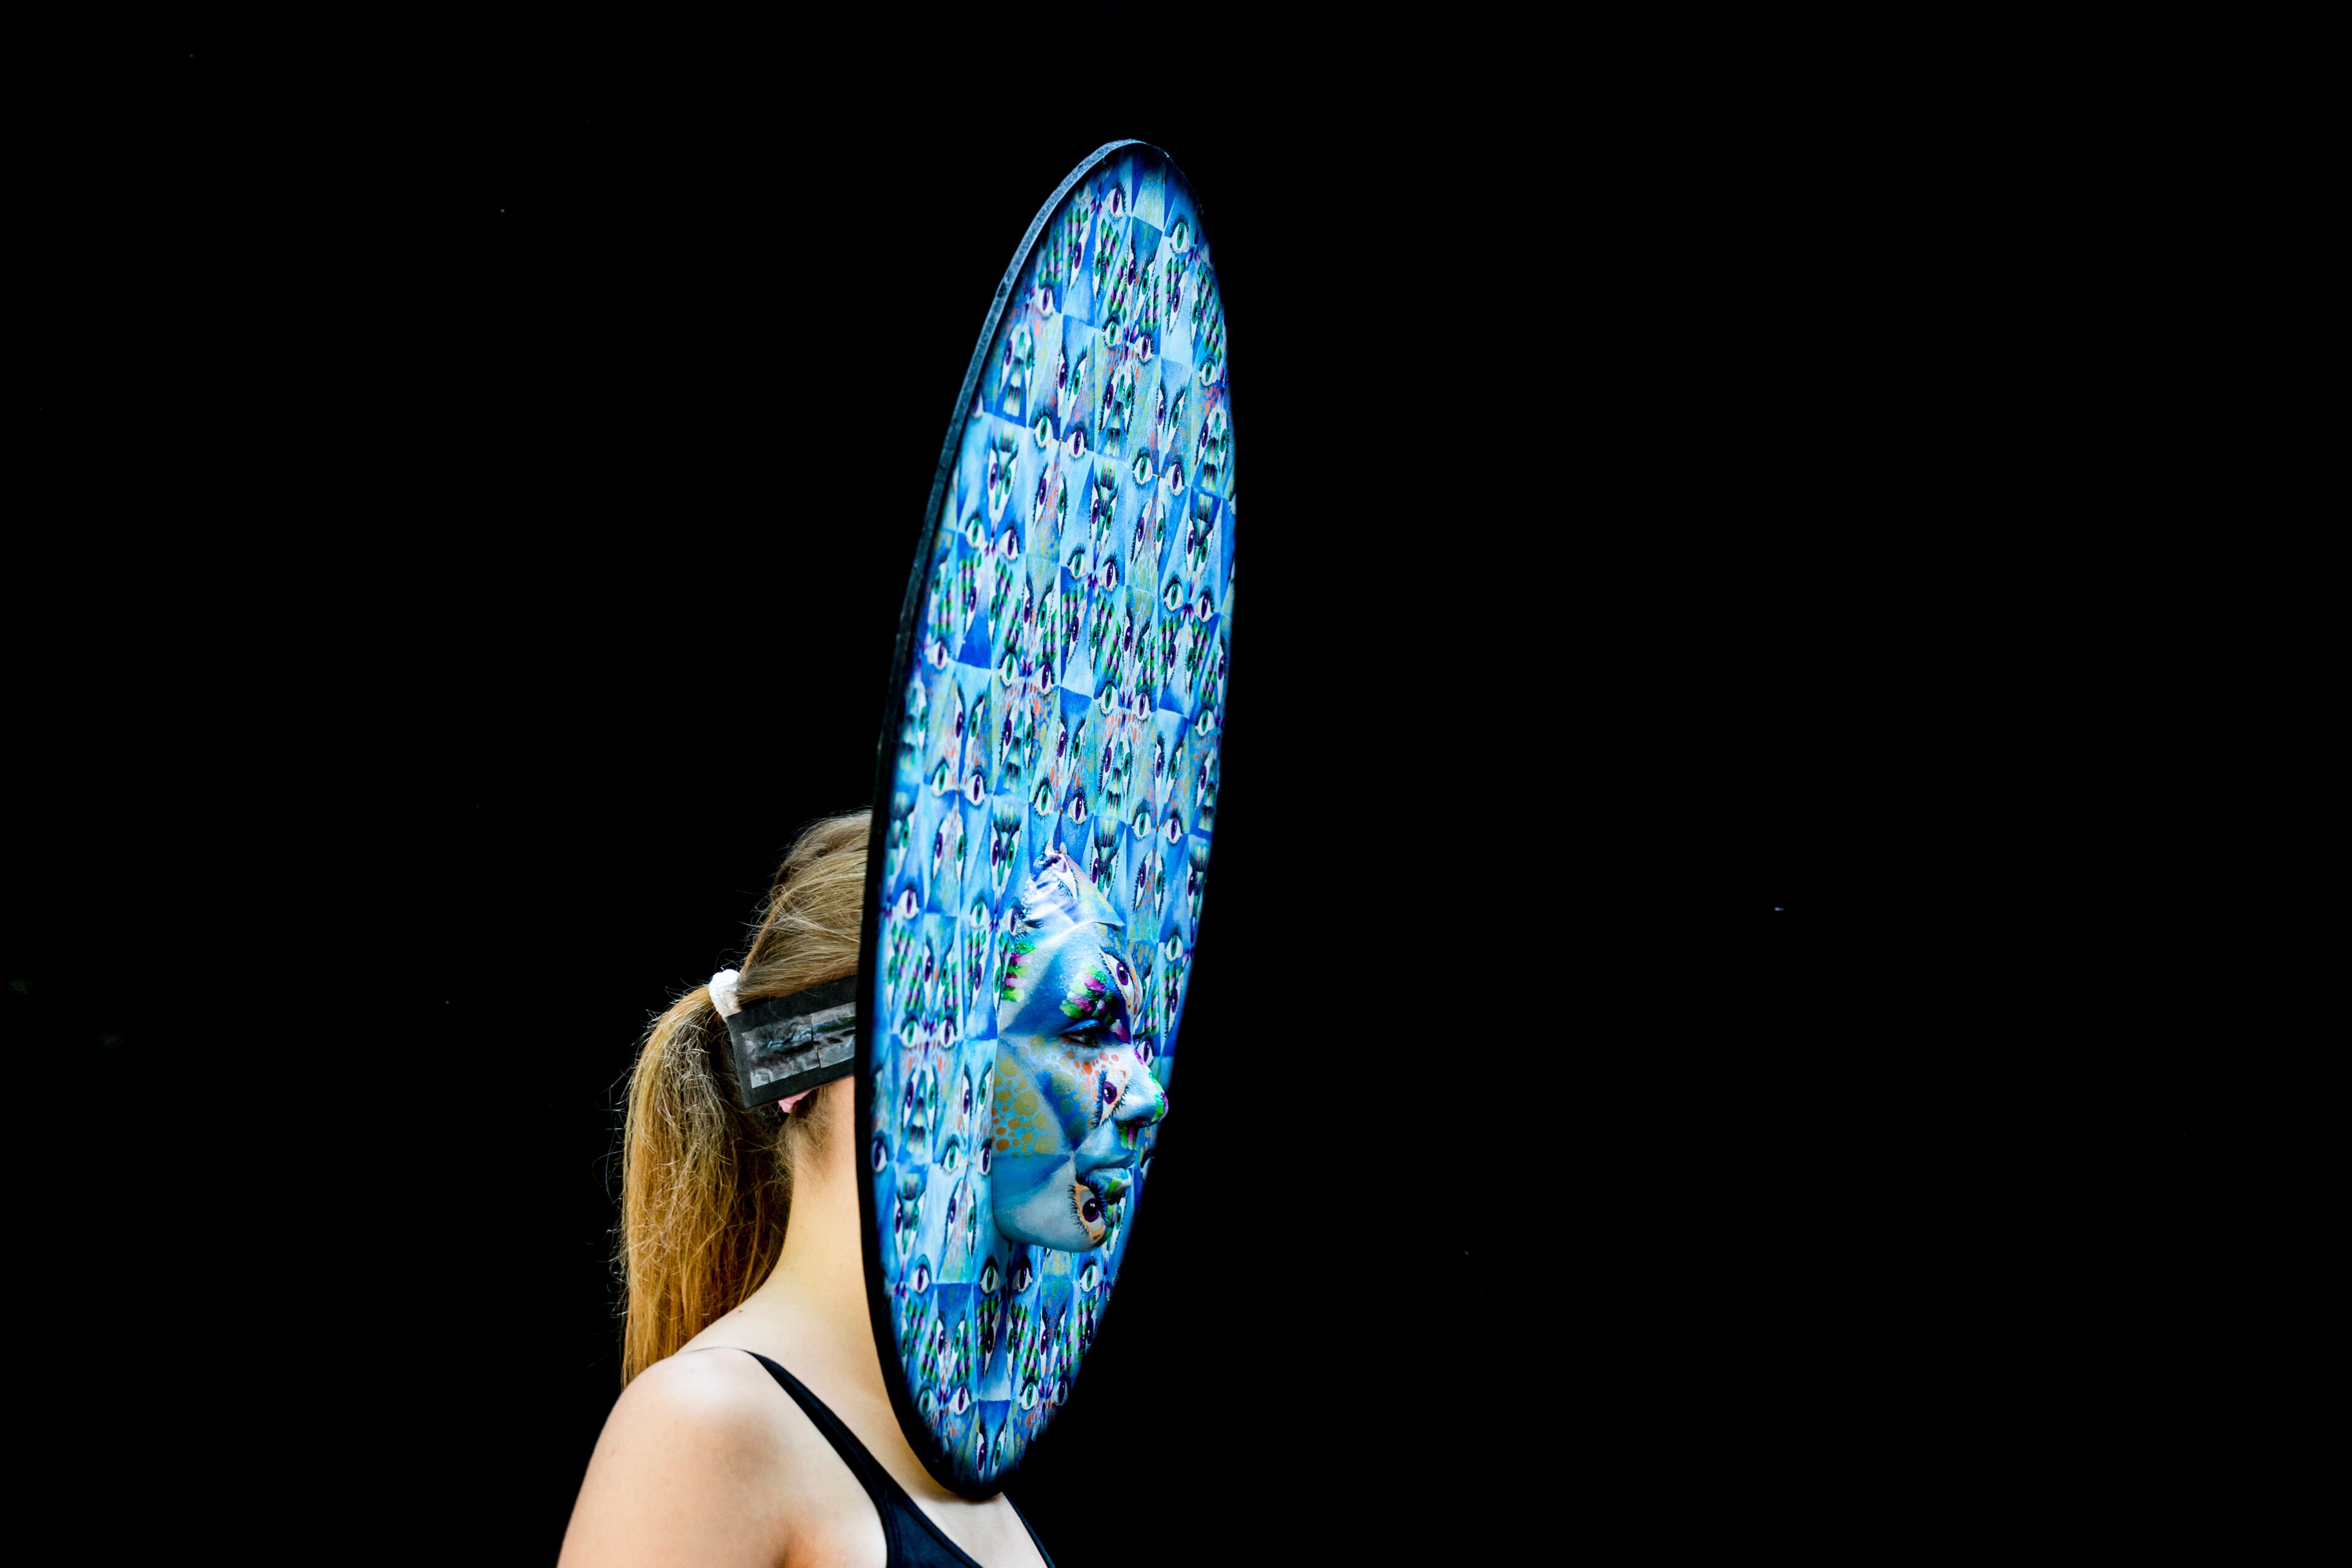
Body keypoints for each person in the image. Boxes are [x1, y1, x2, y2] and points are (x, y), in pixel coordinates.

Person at [559, 813, 1054, 1568]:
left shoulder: (973, 1472)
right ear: (806, 1055)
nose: (1143, 1091)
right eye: (1048, 1028)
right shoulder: (704, 1427)